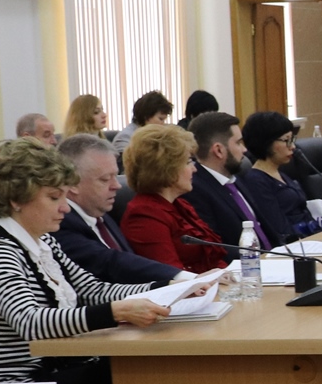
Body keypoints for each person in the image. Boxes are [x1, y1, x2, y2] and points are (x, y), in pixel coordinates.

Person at [0, 138, 173, 384]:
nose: (65, 207)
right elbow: (31, 322)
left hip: (50, 374)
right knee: (139, 379)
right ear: (16, 198)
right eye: (54, 197)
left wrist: (168, 287)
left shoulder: (44, 242)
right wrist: (114, 312)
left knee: (141, 372)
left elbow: (92, 290)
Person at [52, 134, 184, 284]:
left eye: (115, 176)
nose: (117, 185)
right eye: (105, 179)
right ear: (73, 183)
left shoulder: (100, 214)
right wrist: (181, 277)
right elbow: (110, 262)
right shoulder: (60, 222)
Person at [120, 126, 228, 274]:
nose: (194, 169)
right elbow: (171, 274)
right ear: (166, 167)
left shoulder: (180, 205)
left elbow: (212, 259)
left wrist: (230, 276)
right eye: (188, 162)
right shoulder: (144, 215)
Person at [184, 112, 290, 251]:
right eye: (238, 143)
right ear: (219, 150)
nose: (244, 150)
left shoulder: (235, 179)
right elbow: (217, 250)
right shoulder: (196, 191)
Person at [237, 111, 317, 240]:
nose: (293, 146)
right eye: (286, 140)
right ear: (266, 142)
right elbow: (279, 229)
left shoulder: (281, 174)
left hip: (311, 241)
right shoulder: (256, 181)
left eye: (292, 140)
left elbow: (304, 213)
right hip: (293, 246)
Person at [113, 91, 173, 158]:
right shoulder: (125, 137)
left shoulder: (157, 137)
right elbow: (127, 162)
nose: (163, 124)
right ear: (146, 116)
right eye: (161, 119)